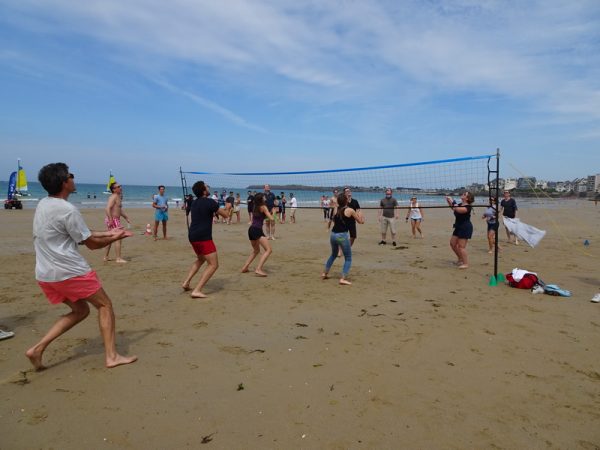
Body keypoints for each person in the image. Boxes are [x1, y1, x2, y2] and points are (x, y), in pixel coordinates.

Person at [26, 163, 137, 370]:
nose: (74, 178)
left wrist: (110, 233)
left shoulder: (43, 204)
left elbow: (82, 235)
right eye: (71, 176)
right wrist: (114, 238)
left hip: (45, 274)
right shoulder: (68, 210)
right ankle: (112, 357)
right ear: (64, 183)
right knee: (105, 305)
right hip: (70, 272)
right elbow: (92, 245)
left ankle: (37, 349)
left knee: (80, 310)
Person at [182, 181, 230, 298]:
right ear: (204, 191)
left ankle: (186, 282)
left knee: (201, 259)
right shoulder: (210, 202)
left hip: (192, 236)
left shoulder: (194, 202)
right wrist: (228, 207)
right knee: (214, 265)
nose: (209, 187)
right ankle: (197, 290)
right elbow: (226, 215)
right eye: (207, 186)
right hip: (203, 237)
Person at [322, 193, 365, 285]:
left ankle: (324, 273)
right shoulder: (350, 210)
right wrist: (360, 214)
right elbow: (361, 222)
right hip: (341, 237)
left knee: (333, 255)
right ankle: (343, 279)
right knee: (348, 258)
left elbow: (334, 219)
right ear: (346, 201)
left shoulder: (335, 209)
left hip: (333, 235)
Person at [241, 193, 274, 276]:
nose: (265, 197)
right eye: (264, 196)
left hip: (251, 230)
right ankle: (258, 269)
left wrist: (268, 212)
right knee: (268, 250)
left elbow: (261, 216)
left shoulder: (255, 206)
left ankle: (245, 267)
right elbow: (271, 219)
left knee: (256, 251)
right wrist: (273, 212)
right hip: (257, 230)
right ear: (261, 199)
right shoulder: (263, 207)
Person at [446, 191, 475, 269]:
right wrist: (448, 201)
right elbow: (453, 208)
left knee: (461, 247)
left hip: (465, 227)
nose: (462, 194)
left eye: (464, 194)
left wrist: (452, 201)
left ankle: (465, 263)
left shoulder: (468, 207)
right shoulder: (459, 205)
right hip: (458, 226)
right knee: (452, 243)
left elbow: (458, 209)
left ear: (467, 198)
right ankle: (460, 259)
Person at [103, 181, 131, 263]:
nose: (120, 187)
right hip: (113, 220)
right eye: (118, 187)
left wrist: (126, 217)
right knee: (118, 238)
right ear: (114, 190)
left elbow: (119, 210)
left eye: (120, 186)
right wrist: (111, 219)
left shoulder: (118, 196)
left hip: (115, 219)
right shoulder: (114, 197)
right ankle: (118, 258)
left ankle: (105, 257)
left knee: (110, 238)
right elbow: (107, 208)